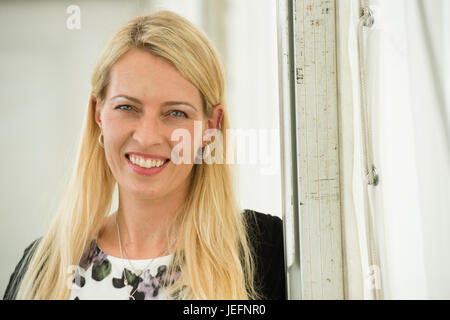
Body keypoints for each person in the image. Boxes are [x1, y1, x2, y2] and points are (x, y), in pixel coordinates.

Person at [3, 10, 286, 300]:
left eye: (176, 113)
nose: (147, 137)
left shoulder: (268, 251)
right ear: (98, 112)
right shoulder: (41, 268)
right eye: (127, 107)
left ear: (210, 126)